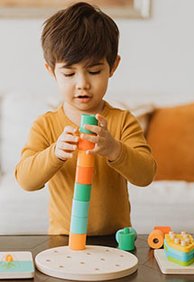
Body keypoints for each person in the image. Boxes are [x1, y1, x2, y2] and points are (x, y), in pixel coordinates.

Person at [15, 2, 156, 236]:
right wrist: (55, 153)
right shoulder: (46, 125)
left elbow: (146, 175)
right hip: (63, 239)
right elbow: (26, 181)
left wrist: (114, 149)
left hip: (116, 239)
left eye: (94, 71)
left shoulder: (122, 121)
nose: (82, 84)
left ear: (113, 66)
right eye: (69, 73)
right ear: (51, 71)